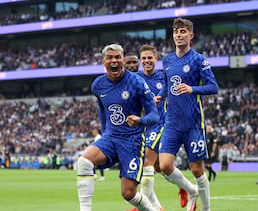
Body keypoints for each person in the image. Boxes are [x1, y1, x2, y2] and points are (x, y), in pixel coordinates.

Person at [76, 43, 159, 211]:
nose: (114, 61)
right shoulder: (98, 85)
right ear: (103, 62)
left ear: (123, 60)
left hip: (132, 141)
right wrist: (105, 131)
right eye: (110, 58)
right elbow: (102, 107)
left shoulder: (136, 82)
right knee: (84, 162)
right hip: (111, 138)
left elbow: (154, 115)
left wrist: (140, 120)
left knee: (128, 193)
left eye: (117, 57)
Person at [155, 17, 219, 211]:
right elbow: (168, 84)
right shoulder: (167, 60)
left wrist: (193, 89)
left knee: (197, 169)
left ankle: (206, 209)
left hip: (193, 123)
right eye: (176, 31)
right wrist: (159, 96)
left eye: (183, 31)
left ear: (191, 35)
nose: (179, 35)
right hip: (172, 122)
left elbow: (213, 87)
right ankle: (190, 190)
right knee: (164, 166)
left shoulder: (199, 59)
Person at [126, 44, 166, 211]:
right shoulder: (137, 79)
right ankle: (157, 206)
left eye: (150, 57)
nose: (147, 61)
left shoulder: (164, 77)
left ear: (156, 59)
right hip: (143, 127)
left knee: (148, 163)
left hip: (159, 124)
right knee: (152, 168)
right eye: (144, 58)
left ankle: (141, 206)